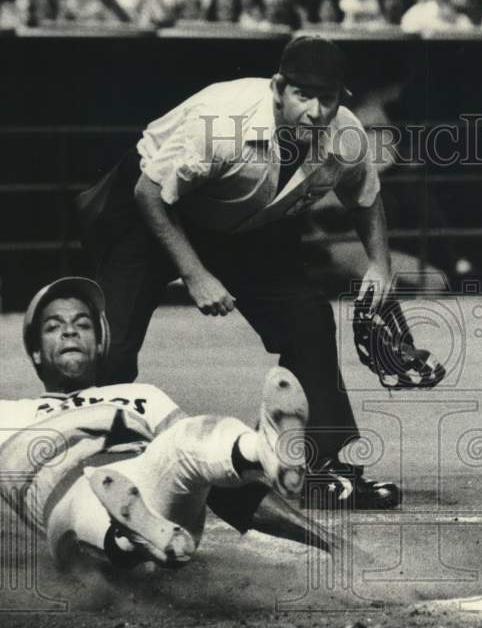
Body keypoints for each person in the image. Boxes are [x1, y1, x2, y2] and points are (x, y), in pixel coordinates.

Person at [75, 36, 399, 509]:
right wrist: (196, 274)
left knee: (308, 321)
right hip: (149, 212)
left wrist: (380, 265)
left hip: (246, 223)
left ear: (340, 99)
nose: (314, 110)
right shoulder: (222, 122)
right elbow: (151, 194)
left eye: (326, 98)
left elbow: (365, 196)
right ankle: (98, 467)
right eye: (302, 95)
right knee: (115, 341)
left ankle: (313, 468)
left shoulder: (344, 133)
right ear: (278, 88)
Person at [0, 277, 337, 572]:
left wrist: (324, 540)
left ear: (99, 344)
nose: (69, 330)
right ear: (35, 352)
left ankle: (265, 450)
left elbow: (227, 495)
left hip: (158, 500)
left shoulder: (143, 396)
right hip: (68, 510)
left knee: (187, 438)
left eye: (82, 323)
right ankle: (131, 538)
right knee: (86, 495)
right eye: (53, 326)